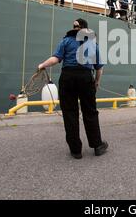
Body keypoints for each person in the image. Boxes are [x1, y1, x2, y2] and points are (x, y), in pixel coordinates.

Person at [38, 19, 108, 159]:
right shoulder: (92, 44)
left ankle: (76, 150)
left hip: (68, 77)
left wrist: (42, 65)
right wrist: (96, 82)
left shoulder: (66, 41)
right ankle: (97, 145)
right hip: (85, 78)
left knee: (70, 113)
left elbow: (56, 59)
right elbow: (99, 68)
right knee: (90, 112)